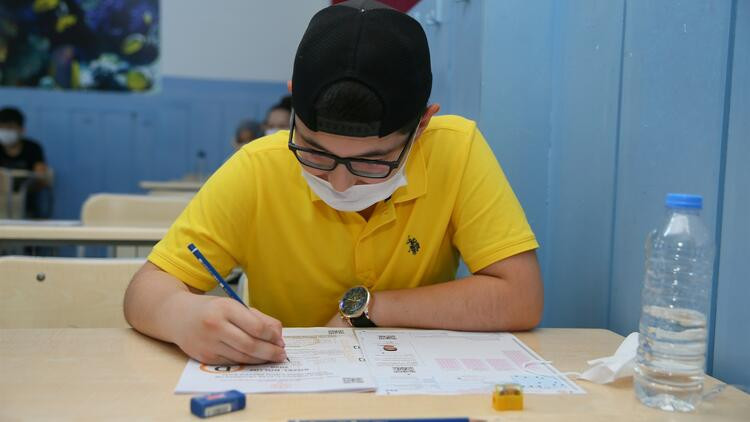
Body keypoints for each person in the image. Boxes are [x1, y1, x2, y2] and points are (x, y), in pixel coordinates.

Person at [124, 0, 543, 366]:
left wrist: (370, 309)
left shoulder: (455, 150)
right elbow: (145, 290)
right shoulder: (258, 168)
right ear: (293, 104)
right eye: (315, 153)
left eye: (373, 162)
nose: (341, 184)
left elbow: (520, 297)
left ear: (422, 125)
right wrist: (182, 316)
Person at [0, 107, 50, 218]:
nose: (5, 132)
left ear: (21, 129)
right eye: (1, 128)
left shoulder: (33, 148)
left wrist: (26, 185)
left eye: (9, 128)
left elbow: (40, 177)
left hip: (26, 203)